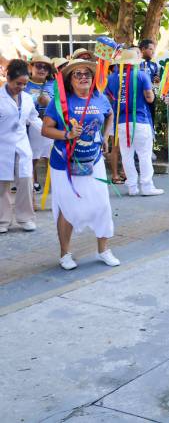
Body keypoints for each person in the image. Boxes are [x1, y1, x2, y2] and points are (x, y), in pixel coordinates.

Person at [41, 59, 118, 270]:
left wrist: (105, 136)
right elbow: (46, 129)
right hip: (64, 164)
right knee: (67, 209)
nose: (84, 77)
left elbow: (110, 114)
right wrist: (67, 134)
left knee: (102, 205)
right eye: (78, 74)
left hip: (93, 162)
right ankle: (65, 254)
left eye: (87, 74)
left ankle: (103, 250)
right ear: (70, 80)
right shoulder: (60, 102)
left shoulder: (100, 98)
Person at [105, 48, 163, 197]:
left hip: (121, 122)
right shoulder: (142, 75)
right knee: (144, 155)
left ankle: (132, 187)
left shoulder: (112, 78)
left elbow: (109, 98)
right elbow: (149, 98)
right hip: (141, 120)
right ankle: (147, 186)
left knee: (126, 154)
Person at [0, 60, 41, 233]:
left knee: (25, 181)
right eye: (18, 83)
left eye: (25, 84)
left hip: (22, 145)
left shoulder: (27, 98)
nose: (22, 87)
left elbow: (34, 118)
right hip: (2, 146)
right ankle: (2, 220)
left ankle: (25, 218)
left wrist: (50, 132)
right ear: (8, 78)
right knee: (2, 185)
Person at [25, 54, 55, 193]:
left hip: (51, 126)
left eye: (45, 67)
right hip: (30, 128)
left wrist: (49, 103)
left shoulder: (54, 85)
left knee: (52, 159)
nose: (42, 69)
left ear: (49, 71)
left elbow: (61, 107)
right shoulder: (23, 84)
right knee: (31, 160)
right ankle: (32, 188)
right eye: (38, 66)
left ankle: (55, 188)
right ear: (31, 67)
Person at [139, 39, 160, 128]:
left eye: (154, 49)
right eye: (151, 49)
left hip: (151, 95)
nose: (153, 52)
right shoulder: (136, 63)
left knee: (151, 117)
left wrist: (157, 80)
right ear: (143, 49)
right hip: (139, 95)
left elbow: (156, 80)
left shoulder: (154, 65)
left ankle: (151, 136)